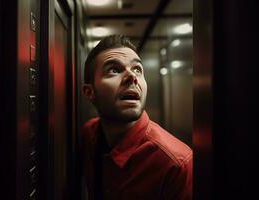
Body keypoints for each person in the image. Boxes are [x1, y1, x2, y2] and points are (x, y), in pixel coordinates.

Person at [81, 34, 192, 200]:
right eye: (114, 70)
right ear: (90, 92)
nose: (132, 77)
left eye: (137, 69)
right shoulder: (89, 133)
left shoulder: (176, 163)